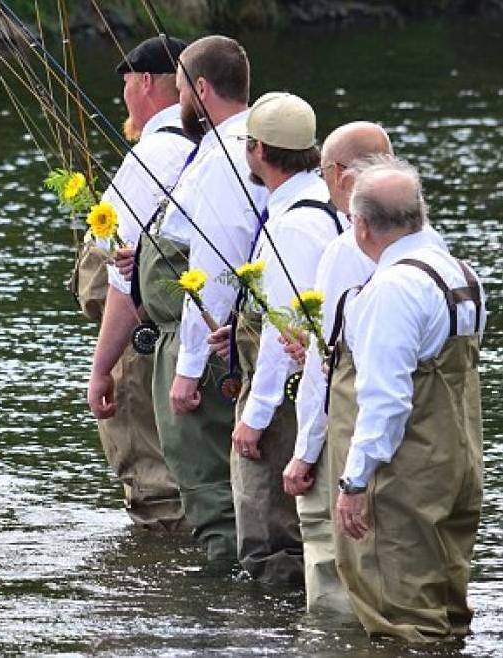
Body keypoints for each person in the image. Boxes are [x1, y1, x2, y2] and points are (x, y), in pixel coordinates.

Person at [328, 159, 485, 642]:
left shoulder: (393, 288)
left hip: (403, 475)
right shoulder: (463, 275)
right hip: (457, 463)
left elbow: (385, 400)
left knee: (401, 622)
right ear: (420, 214)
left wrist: (354, 481)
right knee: (448, 611)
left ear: (361, 225)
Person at [139, 35, 267, 567]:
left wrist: (189, 368)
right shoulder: (244, 145)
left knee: (210, 488)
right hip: (225, 339)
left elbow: (212, 270)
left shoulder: (223, 158)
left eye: (183, 90)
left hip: (209, 346)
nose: (178, 102)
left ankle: (222, 612)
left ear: (202, 88)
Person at [210, 92, 338, 586]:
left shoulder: (293, 225)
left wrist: (254, 419)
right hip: (308, 387)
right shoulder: (324, 206)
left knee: (270, 541)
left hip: (284, 403)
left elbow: (282, 333)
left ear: (259, 150)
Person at [280, 121, 391, 612]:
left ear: (340, 175)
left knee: (330, 558)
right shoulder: (427, 241)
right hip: (407, 433)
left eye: (325, 172)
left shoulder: (346, 249)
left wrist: (304, 452)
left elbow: (326, 365)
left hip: (350, 431)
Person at [86, 36, 192, 529]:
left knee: (153, 483)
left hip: (146, 340)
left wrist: (101, 366)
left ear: (146, 82)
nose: (124, 96)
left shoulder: (153, 155)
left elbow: (120, 278)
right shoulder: (222, 149)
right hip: (205, 341)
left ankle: (159, 588)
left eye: (127, 83)